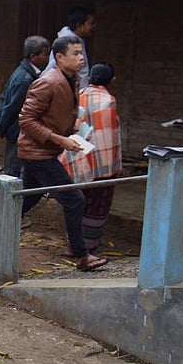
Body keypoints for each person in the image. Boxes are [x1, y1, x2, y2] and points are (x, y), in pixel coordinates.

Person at [19, 35, 108, 271]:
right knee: (75, 199)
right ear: (59, 57)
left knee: (27, 199)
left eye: (82, 53)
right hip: (37, 153)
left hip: (45, 150)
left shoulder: (72, 79)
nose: (81, 58)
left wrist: (72, 129)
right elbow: (26, 119)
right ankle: (81, 255)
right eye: (76, 54)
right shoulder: (48, 81)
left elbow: (55, 114)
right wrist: (59, 139)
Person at [59, 63, 122, 258]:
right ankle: (88, 247)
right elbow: (110, 134)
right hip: (102, 160)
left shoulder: (78, 94)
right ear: (111, 80)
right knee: (97, 204)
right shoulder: (108, 101)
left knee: (77, 202)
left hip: (78, 156)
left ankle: (74, 245)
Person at [0, 36, 50, 177]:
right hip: (16, 131)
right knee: (14, 172)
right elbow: (12, 107)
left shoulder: (24, 73)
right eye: (45, 54)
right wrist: (1, 128)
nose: (47, 58)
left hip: (16, 130)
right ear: (33, 56)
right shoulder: (25, 79)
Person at [47, 6, 96, 89]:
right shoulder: (65, 42)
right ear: (79, 26)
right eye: (90, 23)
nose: (94, 26)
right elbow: (52, 67)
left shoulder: (78, 39)